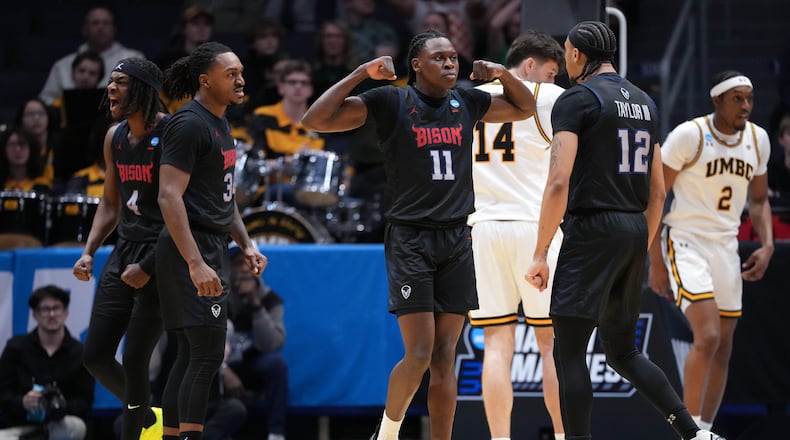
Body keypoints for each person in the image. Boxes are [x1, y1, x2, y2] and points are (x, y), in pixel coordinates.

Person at [303, 29, 535, 440]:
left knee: (446, 358)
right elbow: (316, 119)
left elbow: (523, 107)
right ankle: (388, 433)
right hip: (411, 239)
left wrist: (502, 73)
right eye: (439, 58)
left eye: (453, 58)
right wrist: (362, 72)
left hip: (458, 239)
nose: (450, 64)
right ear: (416, 65)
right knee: (420, 353)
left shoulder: (467, 100)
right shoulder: (392, 101)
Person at [524, 21, 717, 440]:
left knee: (569, 350)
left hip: (592, 227)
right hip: (633, 228)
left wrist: (540, 252)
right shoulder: (646, 103)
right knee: (624, 351)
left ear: (575, 55)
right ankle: (695, 433)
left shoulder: (576, 100)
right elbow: (659, 192)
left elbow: (559, 181)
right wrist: (638, 244)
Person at [648, 70, 774, 434]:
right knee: (707, 336)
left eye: (749, 98)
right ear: (716, 100)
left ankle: (704, 426)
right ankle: (689, 432)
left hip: (726, 245)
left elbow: (760, 199)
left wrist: (766, 245)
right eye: (737, 98)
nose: (746, 106)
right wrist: (654, 260)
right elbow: (655, 196)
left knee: (724, 344)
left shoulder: (758, 139)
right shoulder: (690, 135)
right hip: (685, 239)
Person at [156, 41, 268, 440]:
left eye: (240, 72)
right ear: (206, 81)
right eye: (231, 74)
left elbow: (224, 197)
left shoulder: (220, 123)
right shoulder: (188, 123)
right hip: (190, 249)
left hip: (210, 245)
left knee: (189, 356)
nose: (241, 80)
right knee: (204, 355)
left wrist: (246, 243)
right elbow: (168, 196)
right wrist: (194, 262)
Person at [467, 30, 565, 440]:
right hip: (534, 228)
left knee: (495, 345)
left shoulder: (469, 99)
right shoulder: (548, 97)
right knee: (551, 346)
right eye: (552, 71)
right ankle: (565, 436)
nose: (556, 80)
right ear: (529, 65)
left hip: (484, 228)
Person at [70, 57, 170, 440]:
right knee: (95, 356)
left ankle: (139, 433)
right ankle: (148, 418)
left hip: (160, 254)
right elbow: (110, 204)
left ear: (143, 90)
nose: (110, 89)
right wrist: (89, 251)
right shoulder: (114, 137)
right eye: (110, 82)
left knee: (135, 360)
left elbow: (179, 211)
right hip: (122, 250)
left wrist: (147, 265)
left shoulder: (172, 134)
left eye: (121, 83)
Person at [0, 285, 95, 440]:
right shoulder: (16, 348)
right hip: (19, 426)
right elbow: (2, 393)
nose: (51, 314)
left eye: (56, 308)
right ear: (35, 314)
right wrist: (22, 402)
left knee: (77, 427)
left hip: (60, 425)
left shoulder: (80, 352)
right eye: (45, 309)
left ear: (65, 312)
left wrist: (62, 405)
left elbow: (85, 400)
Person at [226, 250, 288, 440]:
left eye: (249, 263)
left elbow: (273, 344)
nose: (245, 269)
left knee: (275, 365)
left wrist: (255, 303)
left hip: (250, 363)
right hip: (220, 365)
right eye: (238, 263)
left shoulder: (270, 299)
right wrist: (223, 371)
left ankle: (276, 434)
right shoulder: (217, 293)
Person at [39, 6, 145, 106]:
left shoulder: (134, 60)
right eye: (95, 23)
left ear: (113, 29)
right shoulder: (62, 65)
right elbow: (46, 101)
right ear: (85, 29)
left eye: (106, 23)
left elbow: (146, 95)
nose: (100, 27)